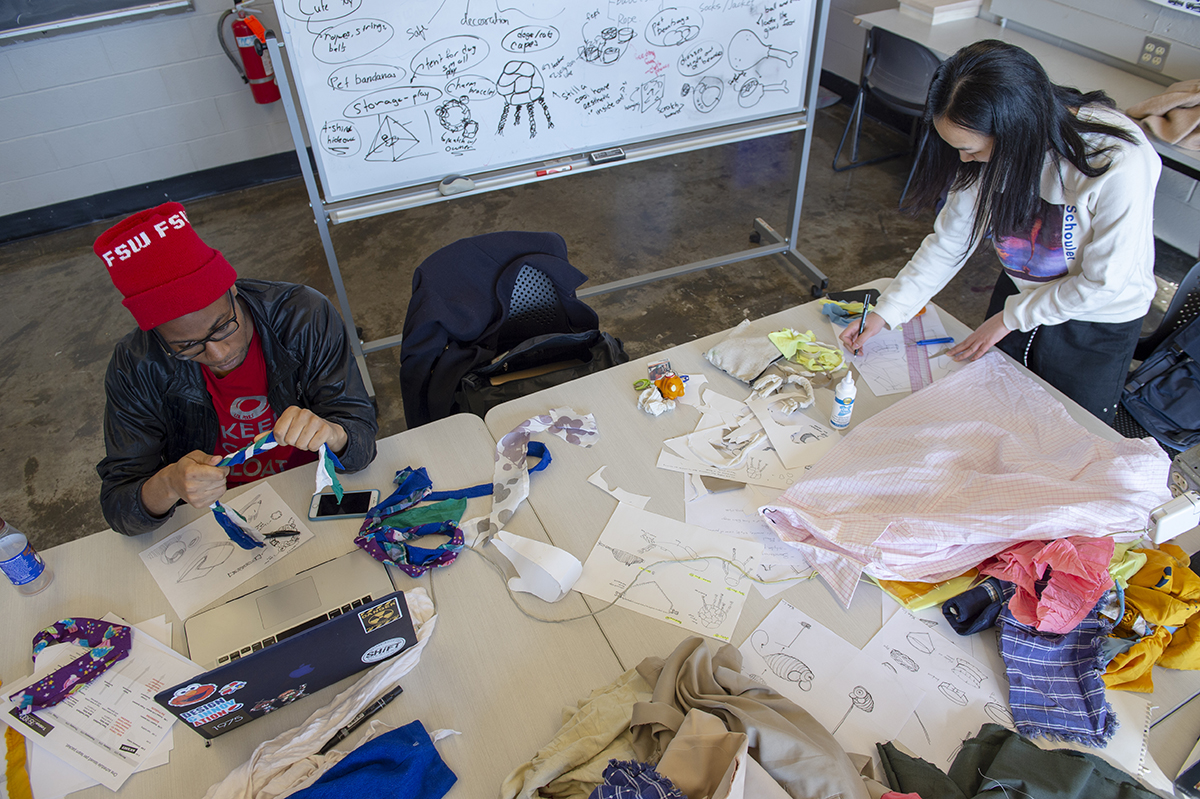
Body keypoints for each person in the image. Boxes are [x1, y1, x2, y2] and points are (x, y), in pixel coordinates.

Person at [840, 40, 1160, 423]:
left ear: (1017, 130)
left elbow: (1102, 283)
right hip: (1022, 290)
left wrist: (1010, 318)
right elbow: (949, 244)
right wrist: (888, 311)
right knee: (993, 408)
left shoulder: (1115, 160)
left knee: (1072, 430)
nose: (964, 159)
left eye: (972, 150)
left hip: (1096, 316)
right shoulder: (982, 151)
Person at [94, 202, 378, 536]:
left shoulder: (303, 316)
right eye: (187, 346)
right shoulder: (137, 365)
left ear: (232, 289)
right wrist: (170, 483)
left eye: (223, 326)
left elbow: (361, 443)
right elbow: (119, 507)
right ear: (156, 336)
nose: (217, 353)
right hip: (211, 509)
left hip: (311, 484)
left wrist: (334, 434)